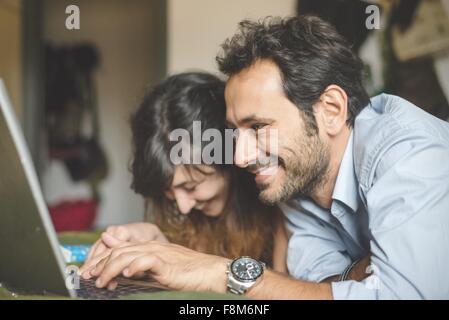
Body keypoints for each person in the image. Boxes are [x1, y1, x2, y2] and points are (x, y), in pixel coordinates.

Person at [88, 16, 449, 299]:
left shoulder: (409, 156)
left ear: (332, 109)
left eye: (258, 126)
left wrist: (220, 273)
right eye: (234, 132)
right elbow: (315, 287)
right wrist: (360, 277)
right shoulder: (300, 185)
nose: (241, 157)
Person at [79, 72, 289, 288]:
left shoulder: (283, 204)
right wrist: (160, 244)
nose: (183, 206)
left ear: (230, 156)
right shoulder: (195, 217)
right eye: (168, 192)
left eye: (190, 186)